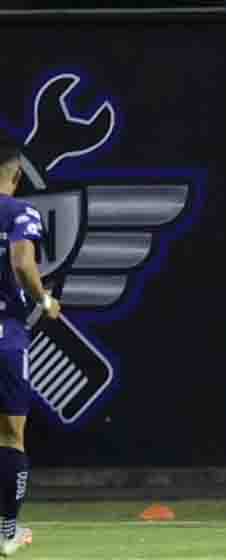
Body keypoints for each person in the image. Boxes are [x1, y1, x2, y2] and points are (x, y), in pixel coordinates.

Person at [0, 144, 61, 557]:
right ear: (17, 175)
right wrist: (43, 301)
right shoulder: (20, 212)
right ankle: (6, 532)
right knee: (10, 436)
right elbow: (23, 262)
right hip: (5, 335)